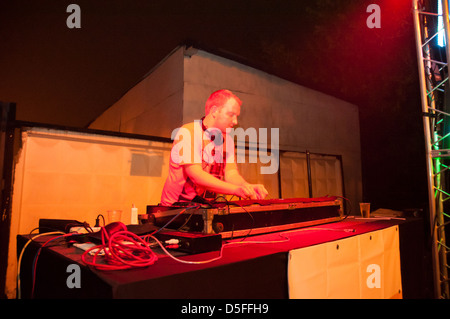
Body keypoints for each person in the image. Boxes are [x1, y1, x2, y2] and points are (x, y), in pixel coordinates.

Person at [160, 89, 268, 206]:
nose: (235, 121)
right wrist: (235, 190)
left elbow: (231, 174)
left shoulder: (228, 140)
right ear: (214, 111)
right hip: (175, 211)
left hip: (205, 208)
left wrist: (246, 186)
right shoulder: (188, 132)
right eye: (231, 115)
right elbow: (196, 175)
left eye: (236, 116)